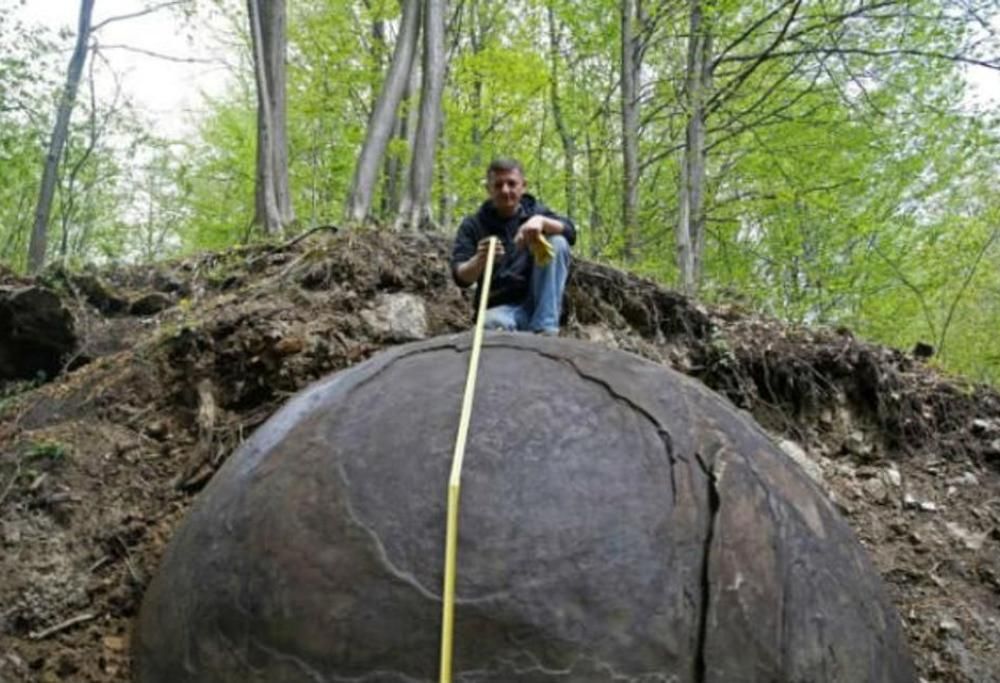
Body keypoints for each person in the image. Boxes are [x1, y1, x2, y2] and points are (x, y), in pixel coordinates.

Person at [450, 158, 576, 335]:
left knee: (558, 242)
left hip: (540, 305)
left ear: (523, 186)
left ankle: (544, 330)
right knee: (488, 325)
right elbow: (461, 277)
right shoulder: (473, 225)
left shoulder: (536, 211)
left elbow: (570, 232)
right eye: (498, 185)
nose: (505, 190)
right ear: (488, 189)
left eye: (511, 184)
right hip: (500, 310)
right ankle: (525, 336)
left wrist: (541, 221)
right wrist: (480, 259)